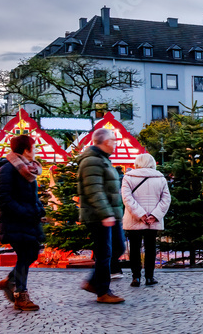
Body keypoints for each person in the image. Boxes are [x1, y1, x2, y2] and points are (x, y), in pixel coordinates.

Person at [0, 134, 46, 312]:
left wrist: (39, 209)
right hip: (15, 221)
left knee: (31, 254)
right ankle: (20, 296)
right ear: (26, 149)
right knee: (26, 255)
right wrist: (27, 212)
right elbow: (4, 199)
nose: (37, 150)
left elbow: (31, 196)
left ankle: (10, 281)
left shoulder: (27, 168)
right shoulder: (7, 169)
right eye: (35, 147)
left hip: (28, 220)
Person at [78, 127, 126, 304]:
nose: (115, 144)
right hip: (99, 216)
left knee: (118, 248)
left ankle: (93, 282)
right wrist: (105, 214)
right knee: (105, 252)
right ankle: (102, 291)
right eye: (113, 140)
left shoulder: (102, 160)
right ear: (106, 142)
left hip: (110, 214)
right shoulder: (92, 161)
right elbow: (94, 190)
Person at [121, 153, 171, 287]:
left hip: (134, 218)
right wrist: (154, 215)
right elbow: (166, 199)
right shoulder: (160, 178)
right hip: (152, 220)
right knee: (150, 248)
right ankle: (149, 277)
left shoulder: (129, 177)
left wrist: (141, 214)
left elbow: (127, 198)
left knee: (135, 248)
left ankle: (136, 277)